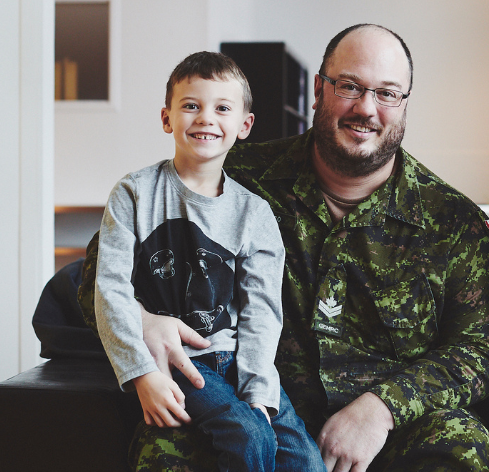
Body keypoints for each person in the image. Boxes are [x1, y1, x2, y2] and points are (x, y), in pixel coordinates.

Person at [79, 25, 489, 471]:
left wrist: (382, 408)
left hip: (390, 431)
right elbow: (96, 277)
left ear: (405, 104)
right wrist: (145, 322)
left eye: (388, 93)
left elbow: (477, 351)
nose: (366, 108)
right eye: (349, 86)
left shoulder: (453, 221)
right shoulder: (231, 176)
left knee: (462, 447)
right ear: (318, 90)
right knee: (166, 445)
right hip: (243, 396)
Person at [93, 51, 325, 472]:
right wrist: (142, 373)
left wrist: (258, 392)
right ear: (167, 118)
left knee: (306, 461)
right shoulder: (134, 194)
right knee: (249, 436)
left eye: (222, 108)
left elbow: (262, 312)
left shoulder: (254, 214)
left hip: (239, 359)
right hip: (182, 361)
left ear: (244, 125)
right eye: (190, 106)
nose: (205, 118)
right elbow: (110, 289)